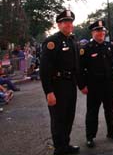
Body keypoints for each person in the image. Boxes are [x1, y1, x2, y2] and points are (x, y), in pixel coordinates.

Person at [40, 10, 82, 155]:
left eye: (70, 22)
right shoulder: (52, 42)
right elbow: (44, 70)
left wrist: (81, 84)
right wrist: (49, 92)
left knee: (69, 117)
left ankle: (65, 144)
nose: (69, 24)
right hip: (57, 86)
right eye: (65, 22)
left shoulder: (72, 41)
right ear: (59, 24)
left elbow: (77, 66)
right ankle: (59, 149)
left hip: (70, 84)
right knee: (58, 119)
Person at [79, 20, 113, 148]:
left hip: (109, 84)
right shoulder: (86, 49)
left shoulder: (109, 46)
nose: (101, 33)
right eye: (98, 31)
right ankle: (90, 136)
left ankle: (112, 132)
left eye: (102, 31)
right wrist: (82, 86)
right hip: (94, 86)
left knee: (109, 110)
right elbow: (80, 69)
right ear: (92, 32)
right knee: (92, 112)